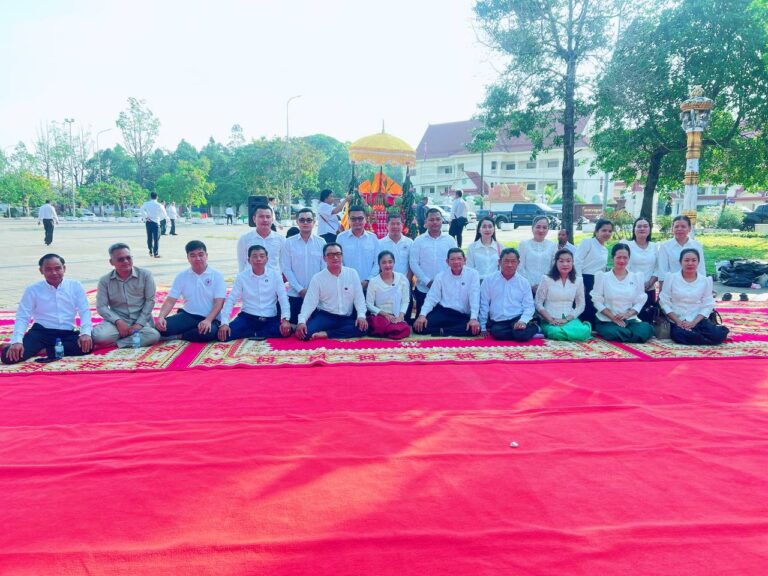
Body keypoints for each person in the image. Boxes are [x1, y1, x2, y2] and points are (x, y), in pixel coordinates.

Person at [2, 254, 93, 364]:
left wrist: (85, 333)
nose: (54, 273)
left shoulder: (75, 285)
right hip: (41, 332)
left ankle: (42, 350)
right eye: (48, 269)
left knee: (87, 346)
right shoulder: (33, 289)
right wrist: (17, 341)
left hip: (67, 332)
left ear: (64, 268)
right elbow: (23, 316)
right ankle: (50, 348)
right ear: (41, 271)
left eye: (58, 268)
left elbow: (84, 311)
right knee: (9, 357)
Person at [92, 243, 161, 349]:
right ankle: (130, 337)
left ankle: (117, 343)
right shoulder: (105, 281)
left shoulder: (145, 275)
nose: (126, 261)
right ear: (111, 262)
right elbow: (101, 306)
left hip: (140, 320)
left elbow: (150, 301)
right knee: (98, 337)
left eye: (128, 258)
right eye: (121, 259)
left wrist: (139, 324)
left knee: (153, 335)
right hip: (117, 320)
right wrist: (118, 322)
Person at [155, 240, 226, 342]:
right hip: (188, 315)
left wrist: (208, 320)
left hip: (211, 317)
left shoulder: (217, 275)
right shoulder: (181, 276)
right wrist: (161, 317)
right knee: (161, 328)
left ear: (206, 255)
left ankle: (180, 336)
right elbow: (170, 301)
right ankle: (189, 332)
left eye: (201, 255)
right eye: (193, 255)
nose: (197, 258)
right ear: (188, 258)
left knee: (208, 333)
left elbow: (219, 303)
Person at [295, 243, 368, 340]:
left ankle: (327, 334)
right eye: (330, 255)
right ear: (324, 258)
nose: (335, 257)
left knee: (363, 329)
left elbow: (359, 298)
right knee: (304, 335)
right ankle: (336, 332)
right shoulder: (317, 278)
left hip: (345, 317)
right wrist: (301, 321)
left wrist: (361, 316)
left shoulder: (352, 273)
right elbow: (309, 302)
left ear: (342, 256)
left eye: (338, 254)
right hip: (326, 316)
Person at [218, 245, 292, 341]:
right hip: (247, 317)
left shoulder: (275, 275)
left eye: (262, 256)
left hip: (269, 318)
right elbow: (231, 299)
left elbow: (283, 298)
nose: (258, 259)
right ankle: (258, 333)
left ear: (267, 259)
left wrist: (285, 319)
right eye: (255, 256)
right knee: (224, 335)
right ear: (249, 260)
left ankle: (253, 333)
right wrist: (224, 323)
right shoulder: (242, 277)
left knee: (286, 332)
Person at [659, 248, 729, 345]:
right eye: (686, 260)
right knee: (679, 335)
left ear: (698, 262)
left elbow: (708, 305)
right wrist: (678, 321)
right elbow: (664, 302)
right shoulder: (671, 278)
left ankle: (699, 335)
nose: (690, 263)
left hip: (697, 319)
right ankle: (702, 338)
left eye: (693, 260)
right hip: (678, 320)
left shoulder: (705, 281)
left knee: (717, 335)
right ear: (680, 262)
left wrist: (694, 322)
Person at [591, 243, 654, 343]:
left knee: (644, 330)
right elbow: (597, 301)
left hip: (630, 320)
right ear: (612, 258)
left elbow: (640, 301)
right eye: (618, 257)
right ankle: (630, 334)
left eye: (625, 258)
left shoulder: (636, 277)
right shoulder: (602, 277)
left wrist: (628, 315)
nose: (622, 261)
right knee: (613, 332)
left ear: (629, 259)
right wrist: (613, 318)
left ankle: (628, 334)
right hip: (607, 320)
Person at [414, 248, 480, 337]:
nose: (456, 262)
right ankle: (450, 330)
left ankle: (443, 331)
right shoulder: (440, 276)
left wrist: (473, 318)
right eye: (452, 259)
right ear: (447, 261)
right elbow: (431, 298)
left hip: (462, 315)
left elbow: (474, 297)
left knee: (475, 329)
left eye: (459, 259)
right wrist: (422, 315)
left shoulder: (473, 274)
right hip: (444, 312)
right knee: (418, 327)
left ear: (465, 260)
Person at [479, 248, 538, 342]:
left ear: (518, 263)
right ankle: (522, 331)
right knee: (497, 333)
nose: (509, 265)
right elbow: (484, 304)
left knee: (521, 334)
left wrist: (523, 321)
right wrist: (482, 326)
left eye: (513, 261)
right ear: (499, 262)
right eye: (506, 261)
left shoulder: (524, 282)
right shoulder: (489, 280)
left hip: (517, 318)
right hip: (499, 321)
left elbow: (529, 306)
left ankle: (528, 328)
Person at [280, 208, 326, 325]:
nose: (305, 223)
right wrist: (299, 289)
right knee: (293, 327)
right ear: (297, 222)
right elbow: (286, 268)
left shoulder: (321, 242)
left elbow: (324, 269)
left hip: (316, 295)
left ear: (314, 222)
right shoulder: (288, 243)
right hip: (295, 294)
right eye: (302, 220)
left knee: (314, 327)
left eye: (309, 220)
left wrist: (312, 290)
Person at [409, 207, 458, 318]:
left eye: (438, 219)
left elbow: (455, 262)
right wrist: (427, 281)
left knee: (445, 320)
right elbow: (413, 263)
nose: (435, 222)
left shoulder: (450, 240)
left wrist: (444, 282)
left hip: (445, 288)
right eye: (431, 220)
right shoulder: (418, 241)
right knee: (422, 322)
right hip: (424, 289)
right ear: (426, 222)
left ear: (442, 221)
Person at [534, 249, 591, 341]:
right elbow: (538, 303)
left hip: (569, 319)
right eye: (561, 261)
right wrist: (550, 319)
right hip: (550, 319)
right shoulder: (546, 279)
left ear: (572, 262)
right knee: (556, 332)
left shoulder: (578, 280)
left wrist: (567, 319)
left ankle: (576, 330)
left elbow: (581, 305)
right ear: (556, 262)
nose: (565, 264)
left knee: (584, 332)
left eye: (568, 261)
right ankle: (568, 334)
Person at [575, 218, 613, 325]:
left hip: (598, 281)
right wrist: (580, 281)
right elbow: (577, 261)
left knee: (594, 306)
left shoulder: (605, 249)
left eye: (610, 231)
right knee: (584, 305)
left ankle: (591, 328)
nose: (607, 233)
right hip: (585, 278)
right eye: (604, 230)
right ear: (596, 231)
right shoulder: (588, 242)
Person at [366, 251, 411, 339]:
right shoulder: (373, 281)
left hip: (396, 316)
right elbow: (369, 304)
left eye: (390, 262)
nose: (387, 265)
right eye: (384, 262)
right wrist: (385, 315)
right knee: (379, 325)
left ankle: (391, 330)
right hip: (380, 316)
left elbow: (405, 301)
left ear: (394, 263)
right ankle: (391, 331)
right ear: (379, 264)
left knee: (405, 329)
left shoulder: (402, 279)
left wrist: (400, 317)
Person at [378, 213, 414, 318]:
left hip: (404, 283)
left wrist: (406, 281)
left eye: (398, 224)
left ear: (402, 225)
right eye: (392, 224)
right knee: (388, 315)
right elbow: (378, 265)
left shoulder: (409, 243)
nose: (395, 226)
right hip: (385, 285)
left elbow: (412, 264)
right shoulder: (380, 243)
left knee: (405, 315)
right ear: (387, 225)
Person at [336, 206, 380, 289]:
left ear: (365, 219)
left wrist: (369, 280)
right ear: (348, 220)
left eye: (360, 218)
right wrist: (348, 279)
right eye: (353, 219)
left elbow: (377, 262)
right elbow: (338, 261)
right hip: (347, 285)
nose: (357, 221)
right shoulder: (341, 238)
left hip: (370, 286)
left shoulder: (373, 238)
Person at [657, 215, 706, 290]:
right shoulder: (665, 246)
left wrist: (704, 287)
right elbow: (662, 272)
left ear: (689, 228)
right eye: (676, 227)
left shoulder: (697, 245)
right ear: (672, 229)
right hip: (673, 286)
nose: (679, 229)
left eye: (683, 226)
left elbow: (701, 269)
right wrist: (662, 290)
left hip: (694, 286)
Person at [626, 217, 659, 323]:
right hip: (630, 288)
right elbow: (624, 266)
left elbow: (658, 268)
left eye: (645, 226)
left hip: (649, 288)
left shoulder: (655, 247)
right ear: (634, 229)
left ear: (649, 229)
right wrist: (637, 284)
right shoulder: (627, 245)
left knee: (647, 319)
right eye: (639, 226)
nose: (642, 229)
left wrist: (650, 282)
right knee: (630, 319)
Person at [236, 204, 285, 275]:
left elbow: (283, 264)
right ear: (254, 219)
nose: (265, 220)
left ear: (272, 220)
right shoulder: (244, 239)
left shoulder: (281, 239)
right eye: (261, 216)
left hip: (273, 279)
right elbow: (242, 264)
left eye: (268, 217)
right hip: (251, 279)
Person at [519, 215, 557, 293]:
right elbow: (520, 267)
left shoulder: (553, 246)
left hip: (547, 288)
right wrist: (530, 285)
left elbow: (554, 268)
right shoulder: (524, 244)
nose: (541, 230)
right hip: (526, 288)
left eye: (544, 227)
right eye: (538, 227)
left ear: (548, 229)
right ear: (532, 228)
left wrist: (544, 286)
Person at [140, 192, 168, 258]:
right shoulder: (159, 205)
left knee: (149, 237)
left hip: (148, 222)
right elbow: (164, 214)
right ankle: (156, 253)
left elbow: (141, 210)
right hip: (156, 223)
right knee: (156, 239)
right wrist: (161, 218)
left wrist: (146, 217)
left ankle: (150, 251)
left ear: (150, 197)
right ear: (157, 197)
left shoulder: (146, 203)